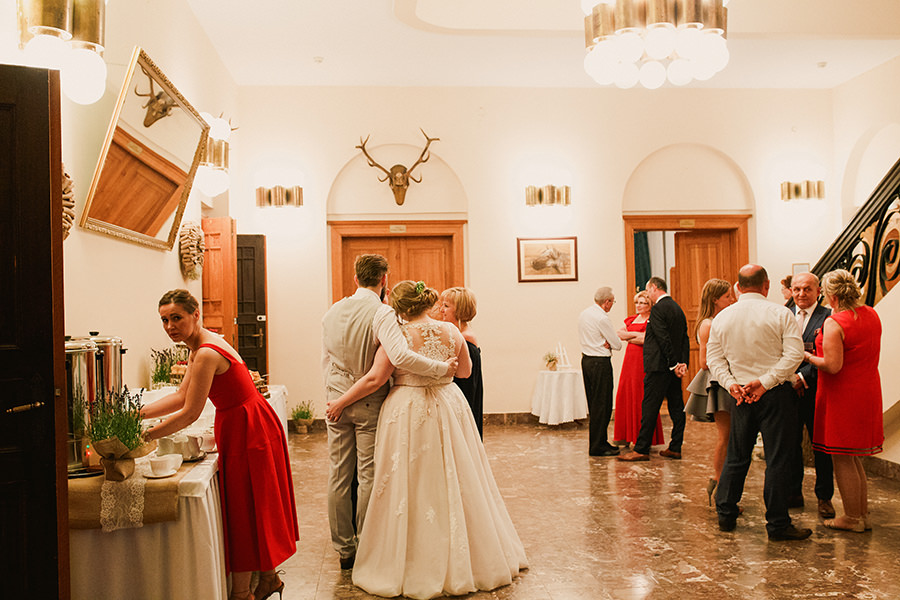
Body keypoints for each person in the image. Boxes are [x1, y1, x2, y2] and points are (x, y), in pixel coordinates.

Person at [326, 281, 527, 599]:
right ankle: (468, 553)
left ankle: (410, 553)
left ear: (400, 309)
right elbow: (465, 372)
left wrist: (340, 401)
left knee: (413, 479)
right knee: (454, 475)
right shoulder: (453, 331)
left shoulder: (398, 335)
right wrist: (441, 371)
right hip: (448, 404)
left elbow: (376, 378)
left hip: (408, 406)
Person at [142, 290, 298, 600]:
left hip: (248, 428)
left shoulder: (206, 352)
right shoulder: (198, 347)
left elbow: (190, 412)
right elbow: (180, 396)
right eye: (164, 320)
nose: (170, 326)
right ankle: (268, 579)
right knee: (250, 505)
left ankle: (241, 594)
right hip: (246, 422)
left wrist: (146, 436)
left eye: (176, 318)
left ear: (195, 314)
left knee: (243, 509)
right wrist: (137, 414)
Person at [321, 255, 454, 571]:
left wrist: (333, 398)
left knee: (338, 474)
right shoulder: (382, 312)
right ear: (384, 280)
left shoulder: (332, 311)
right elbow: (400, 356)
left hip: (335, 400)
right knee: (368, 473)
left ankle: (344, 549)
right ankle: (367, 542)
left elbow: (326, 360)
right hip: (368, 401)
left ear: (355, 279)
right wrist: (439, 369)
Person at [705, 265, 810, 541]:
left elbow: (714, 359)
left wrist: (731, 384)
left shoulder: (723, 317)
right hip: (775, 394)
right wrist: (765, 382)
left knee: (737, 454)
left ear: (738, 287)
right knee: (778, 459)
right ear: (766, 285)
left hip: (740, 393)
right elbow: (794, 355)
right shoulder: (780, 313)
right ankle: (777, 524)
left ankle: (726, 514)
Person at [803, 269, 883, 532]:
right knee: (853, 456)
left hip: (842, 395)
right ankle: (861, 515)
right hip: (867, 391)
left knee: (841, 457)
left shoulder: (835, 322)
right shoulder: (871, 314)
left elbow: (832, 365)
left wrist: (806, 356)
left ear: (832, 296)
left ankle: (851, 518)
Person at [619, 277, 690, 462]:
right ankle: (675, 447)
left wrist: (672, 363)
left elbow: (661, 338)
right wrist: (682, 363)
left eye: (648, 290)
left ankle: (641, 449)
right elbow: (684, 338)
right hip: (673, 368)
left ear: (653, 288)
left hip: (659, 367)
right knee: (677, 407)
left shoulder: (658, 309)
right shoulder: (677, 308)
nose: (648, 294)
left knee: (649, 407)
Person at [684, 278, 736, 505]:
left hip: (725, 380)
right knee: (726, 437)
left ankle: (721, 484)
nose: (732, 300)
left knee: (731, 436)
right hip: (718, 382)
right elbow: (704, 362)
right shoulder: (708, 324)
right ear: (715, 299)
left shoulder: (719, 320)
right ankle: (718, 482)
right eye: (727, 297)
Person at [788, 272, 835, 519]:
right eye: (796, 289)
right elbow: (777, 351)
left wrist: (802, 377)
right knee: (790, 444)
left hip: (817, 391)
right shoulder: (784, 315)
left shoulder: (828, 317)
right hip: (788, 391)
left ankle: (824, 497)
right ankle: (793, 493)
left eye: (807, 289)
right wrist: (790, 378)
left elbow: (828, 355)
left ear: (818, 291)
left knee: (821, 447)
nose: (801, 294)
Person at [612, 290, 664, 448]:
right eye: (637, 302)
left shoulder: (652, 319)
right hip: (629, 361)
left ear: (649, 305)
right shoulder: (632, 319)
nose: (639, 306)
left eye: (643, 303)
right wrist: (636, 336)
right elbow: (619, 333)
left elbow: (647, 339)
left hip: (643, 360)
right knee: (625, 393)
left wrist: (630, 336)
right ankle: (624, 436)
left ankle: (641, 437)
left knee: (640, 395)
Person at [578, 287, 623, 456]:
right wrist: (610, 341)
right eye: (612, 302)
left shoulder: (584, 314)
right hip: (600, 363)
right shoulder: (602, 318)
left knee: (594, 404)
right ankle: (598, 446)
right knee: (603, 405)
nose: (612, 305)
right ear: (607, 302)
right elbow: (617, 344)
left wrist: (607, 340)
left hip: (587, 361)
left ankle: (600, 442)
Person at [439, 287, 484, 438]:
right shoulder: (459, 333)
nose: (441, 310)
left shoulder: (464, 338)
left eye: (446, 306)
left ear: (460, 310)